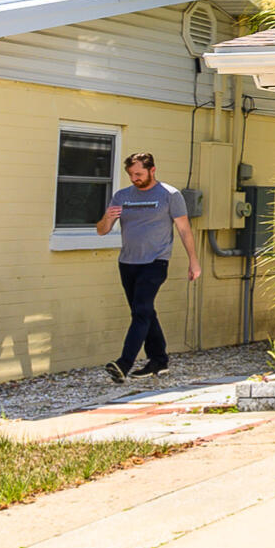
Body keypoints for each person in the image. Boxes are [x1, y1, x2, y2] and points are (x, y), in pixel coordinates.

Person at [97, 153, 200, 380]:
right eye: (131, 174)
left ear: (152, 170)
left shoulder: (170, 195)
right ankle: (158, 361)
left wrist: (194, 261)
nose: (135, 178)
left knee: (141, 310)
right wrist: (107, 218)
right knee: (144, 311)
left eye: (139, 174)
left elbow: (184, 229)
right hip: (127, 262)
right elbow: (102, 230)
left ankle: (123, 364)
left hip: (155, 261)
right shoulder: (122, 196)